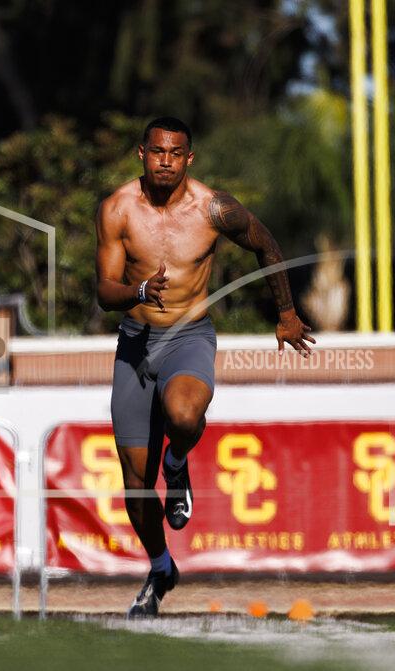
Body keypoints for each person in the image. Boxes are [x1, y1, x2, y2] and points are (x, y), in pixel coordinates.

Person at [95, 116, 315, 617]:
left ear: (189, 159)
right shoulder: (117, 209)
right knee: (134, 484)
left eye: (176, 152)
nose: (166, 160)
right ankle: (159, 567)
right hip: (134, 343)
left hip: (188, 336)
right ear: (141, 154)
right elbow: (105, 290)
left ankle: (178, 466)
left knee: (185, 414)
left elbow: (266, 244)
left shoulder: (214, 208)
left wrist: (285, 312)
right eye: (157, 152)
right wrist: (138, 291)